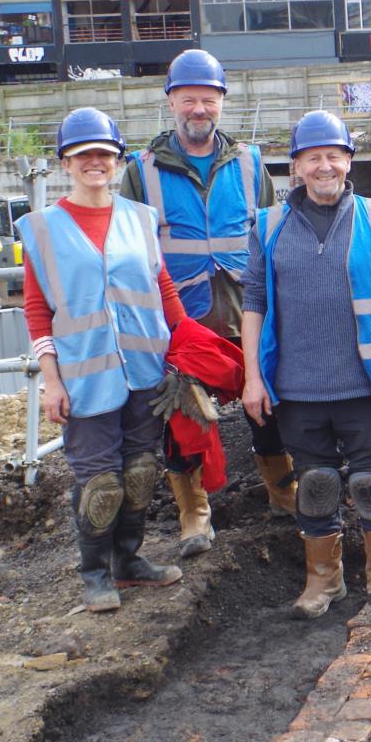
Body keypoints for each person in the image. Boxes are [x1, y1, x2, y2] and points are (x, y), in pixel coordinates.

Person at [240, 110, 371, 619]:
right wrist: (253, 376)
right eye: (313, 157)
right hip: (296, 388)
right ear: (295, 166)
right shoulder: (268, 226)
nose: (325, 166)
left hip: (365, 384)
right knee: (315, 484)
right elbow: (253, 303)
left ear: (348, 161)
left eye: (334, 156)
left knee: (370, 481)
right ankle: (324, 582)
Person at [119, 48, 292, 557]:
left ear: (222, 102)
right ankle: (193, 513)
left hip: (246, 311)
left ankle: (283, 494)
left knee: (268, 407)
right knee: (184, 417)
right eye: (188, 99)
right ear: (171, 101)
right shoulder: (141, 169)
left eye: (208, 99)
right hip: (179, 318)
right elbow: (131, 248)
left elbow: (267, 234)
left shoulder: (249, 161)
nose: (199, 109)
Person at [18, 108, 186, 613]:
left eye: (104, 154)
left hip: (145, 371)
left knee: (138, 471)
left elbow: (161, 286)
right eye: (84, 154)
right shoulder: (43, 229)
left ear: (117, 161)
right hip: (85, 378)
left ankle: (129, 562)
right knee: (101, 483)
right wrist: (51, 382)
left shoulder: (139, 218)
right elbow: (35, 310)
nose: (95, 162)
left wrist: (187, 348)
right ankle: (94, 574)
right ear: (65, 162)